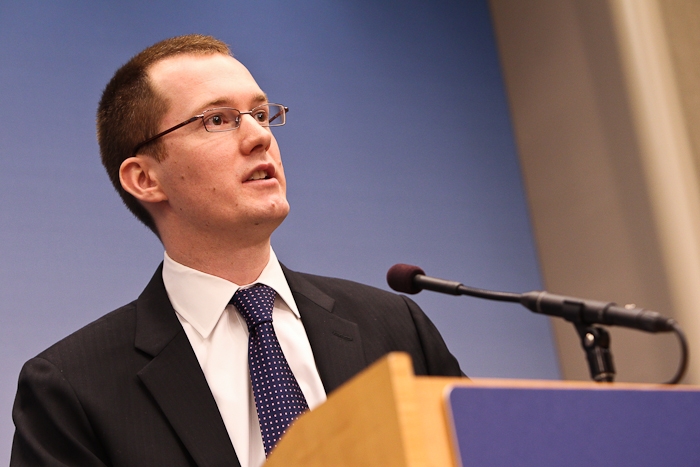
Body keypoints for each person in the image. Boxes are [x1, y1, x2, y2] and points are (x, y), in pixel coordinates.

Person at [10, 34, 462, 467]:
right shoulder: (71, 388)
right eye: (218, 120)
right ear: (145, 179)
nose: (259, 137)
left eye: (261, 114)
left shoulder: (396, 330)